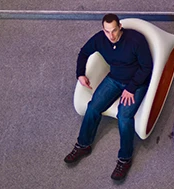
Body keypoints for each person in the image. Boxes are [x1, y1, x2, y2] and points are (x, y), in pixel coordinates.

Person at [64, 14, 154, 180]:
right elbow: (83, 52)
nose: (111, 36)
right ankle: (83, 145)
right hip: (114, 78)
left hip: (136, 82)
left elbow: (147, 67)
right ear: (103, 30)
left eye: (114, 31)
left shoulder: (136, 40)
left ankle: (125, 158)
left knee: (124, 116)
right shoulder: (100, 39)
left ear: (120, 26)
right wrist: (80, 74)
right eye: (107, 32)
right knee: (93, 107)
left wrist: (131, 88)